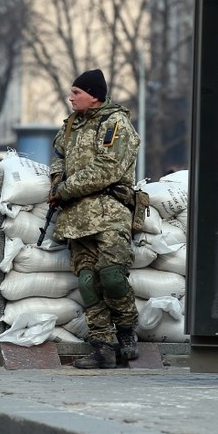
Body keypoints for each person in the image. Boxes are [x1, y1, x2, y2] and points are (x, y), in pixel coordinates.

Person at [48, 68, 141, 369]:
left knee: (112, 276)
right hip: (75, 218)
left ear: (94, 97)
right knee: (88, 283)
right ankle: (102, 346)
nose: (70, 97)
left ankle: (126, 331)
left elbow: (107, 169)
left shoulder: (116, 124)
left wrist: (64, 189)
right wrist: (55, 178)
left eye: (76, 93)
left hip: (109, 212)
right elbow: (58, 155)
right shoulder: (71, 125)